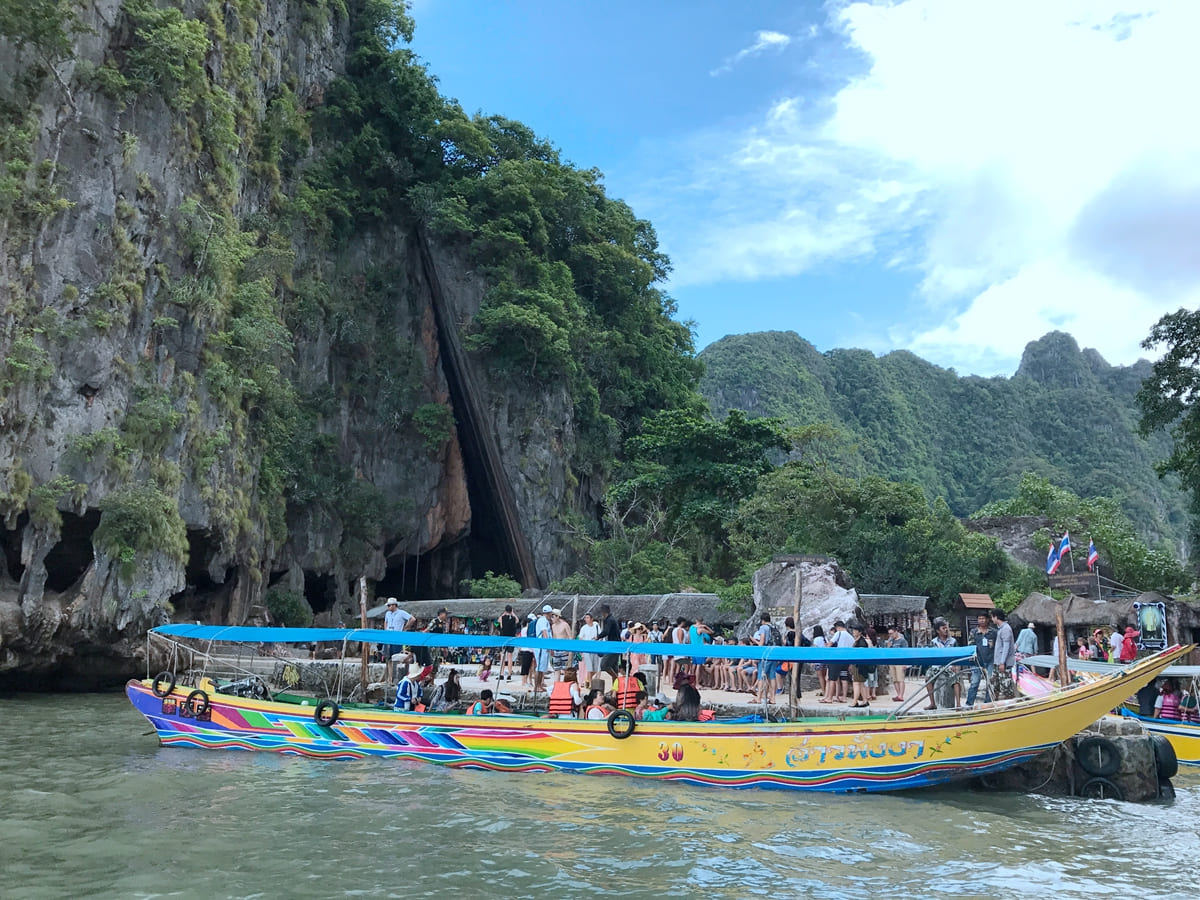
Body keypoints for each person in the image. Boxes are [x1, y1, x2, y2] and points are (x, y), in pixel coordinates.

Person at [924, 618, 961, 710]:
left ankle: (958, 704)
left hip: (949, 665)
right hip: (937, 666)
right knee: (928, 677)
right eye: (943, 628)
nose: (946, 630)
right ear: (937, 631)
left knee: (956, 679)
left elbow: (958, 655)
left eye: (946, 628)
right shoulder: (933, 642)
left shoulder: (953, 641)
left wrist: (956, 666)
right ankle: (932, 703)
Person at [965, 613, 995, 707]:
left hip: (990, 660)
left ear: (987, 620)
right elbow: (970, 645)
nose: (981, 620)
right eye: (979, 618)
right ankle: (969, 704)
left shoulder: (993, 632)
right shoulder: (974, 632)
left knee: (990, 683)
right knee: (974, 683)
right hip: (976, 661)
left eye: (983, 618)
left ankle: (987, 704)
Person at [821, 620, 853, 704]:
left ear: (838, 627)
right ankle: (844, 697)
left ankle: (829, 697)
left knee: (832, 678)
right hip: (846, 659)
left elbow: (830, 644)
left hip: (836, 658)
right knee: (844, 678)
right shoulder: (850, 637)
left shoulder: (838, 633)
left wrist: (825, 645)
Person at [991, 608, 1017, 700]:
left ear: (996, 617)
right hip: (998, 662)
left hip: (1003, 663)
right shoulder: (1001, 629)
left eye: (992, 617)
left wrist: (1002, 662)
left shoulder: (1006, 629)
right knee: (995, 685)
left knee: (1006, 686)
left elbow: (1006, 646)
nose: (992, 619)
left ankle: (1010, 705)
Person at [848, 621, 872, 707]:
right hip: (858, 664)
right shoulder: (859, 641)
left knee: (856, 683)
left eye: (855, 630)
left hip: (859, 665)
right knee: (861, 683)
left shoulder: (861, 642)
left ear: (860, 632)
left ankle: (855, 701)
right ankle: (865, 700)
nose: (853, 632)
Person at [753, 613, 775, 703]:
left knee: (761, 676)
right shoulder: (774, 627)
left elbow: (762, 642)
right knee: (772, 677)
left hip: (766, 654)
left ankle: (759, 698)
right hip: (774, 654)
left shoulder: (763, 627)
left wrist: (754, 641)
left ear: (762, 620)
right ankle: (773, 698)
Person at [533, 605, 553, 693]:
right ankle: (536, 686)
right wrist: (548, 646)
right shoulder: (542, 621)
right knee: (540, 667)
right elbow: (544, 633)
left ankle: (540, 685)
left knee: (542, 668)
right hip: (541, 647)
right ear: (548, 613)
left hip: (543, 647)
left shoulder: (545, 621)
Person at [497, 604, 520, 681]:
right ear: (511, 610)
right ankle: (509, 674)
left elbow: (499, 621)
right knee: (509, 657)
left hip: (503, 639)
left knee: (502, 657)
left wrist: (504, 613)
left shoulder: (502, 618)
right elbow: (517, 620)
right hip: (511, 639)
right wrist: (512, 613)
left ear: (505, 610)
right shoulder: (513, 618)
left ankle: (501, 674)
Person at [886, 624, 908, 702]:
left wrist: (905, 663)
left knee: (900, 679)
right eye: (889, 634)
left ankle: (901, 695)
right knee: (894, 679)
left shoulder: (902, 640)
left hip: (900, 661)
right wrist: (888, 647)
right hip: (892, 661)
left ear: (896, 632)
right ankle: (898, 694)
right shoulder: (891, 641)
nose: (890, 635)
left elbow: (905, 652)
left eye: (891, 633)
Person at [578, 612, 600, 684]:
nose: (586, 619)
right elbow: (580, 638)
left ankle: (588, 679)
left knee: (596, 668)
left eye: (587, 618)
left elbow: (599, 635)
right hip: (587, 649)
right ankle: (589, 682)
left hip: (595, 648)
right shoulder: (584, 628)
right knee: (589, 668)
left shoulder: (596, 625)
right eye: (585, 618)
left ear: (592, 619)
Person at [598, 604, 622, 674]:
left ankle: (615, 677)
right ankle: (615, 683)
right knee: (614, 667)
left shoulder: (609, 620)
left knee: (604, 665)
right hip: (616, 644)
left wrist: (598, 636)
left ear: (604, 612)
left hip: (613, 645)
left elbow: (606, 631)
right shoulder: (612, 619)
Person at [550, 608, 573, 676]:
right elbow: (554, 638)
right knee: (556, 669)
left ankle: (565, 684)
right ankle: (557, 684)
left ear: (557, 616)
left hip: (564, 649)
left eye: (553, 617)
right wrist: (552, 649)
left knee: (565, 669)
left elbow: (570, 637)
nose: (552, 619)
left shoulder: (565, 625)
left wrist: (568, 649)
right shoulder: (553, 626)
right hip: (556, 650)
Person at [518, 613, 536, 689]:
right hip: (526, 650)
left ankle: (526, 681)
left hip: (530, 650)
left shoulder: (527, 630)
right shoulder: (525, 630)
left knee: (528, 666)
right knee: (525, 666)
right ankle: (523, 681)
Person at [811, 624, 829, 699]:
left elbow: (815, 650)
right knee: (825, 676)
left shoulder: (816, 639)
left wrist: (812, 660)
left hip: (818, 659)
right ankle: (827, 691)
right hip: (825, 659)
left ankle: (824, 691)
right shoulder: (825, 638)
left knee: (820, 676)